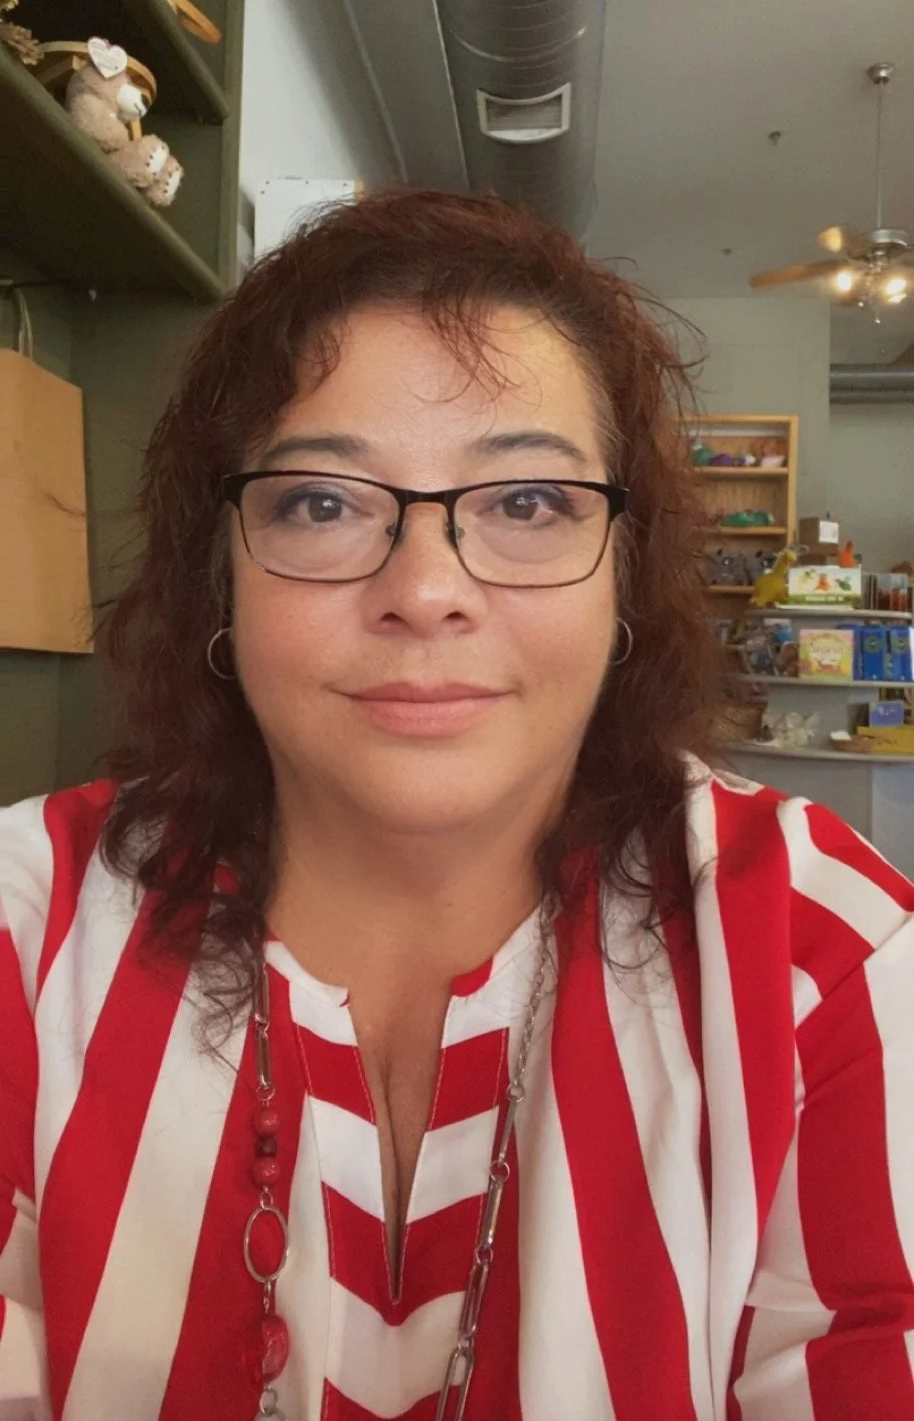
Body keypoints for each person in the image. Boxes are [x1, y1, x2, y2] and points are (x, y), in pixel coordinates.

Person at [1, 189, 913, 1421]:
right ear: (216, 573)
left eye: (526, 503)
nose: (424, 590)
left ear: (622, 577)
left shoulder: (824, 955)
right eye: (320, 501)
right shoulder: (24, 929)